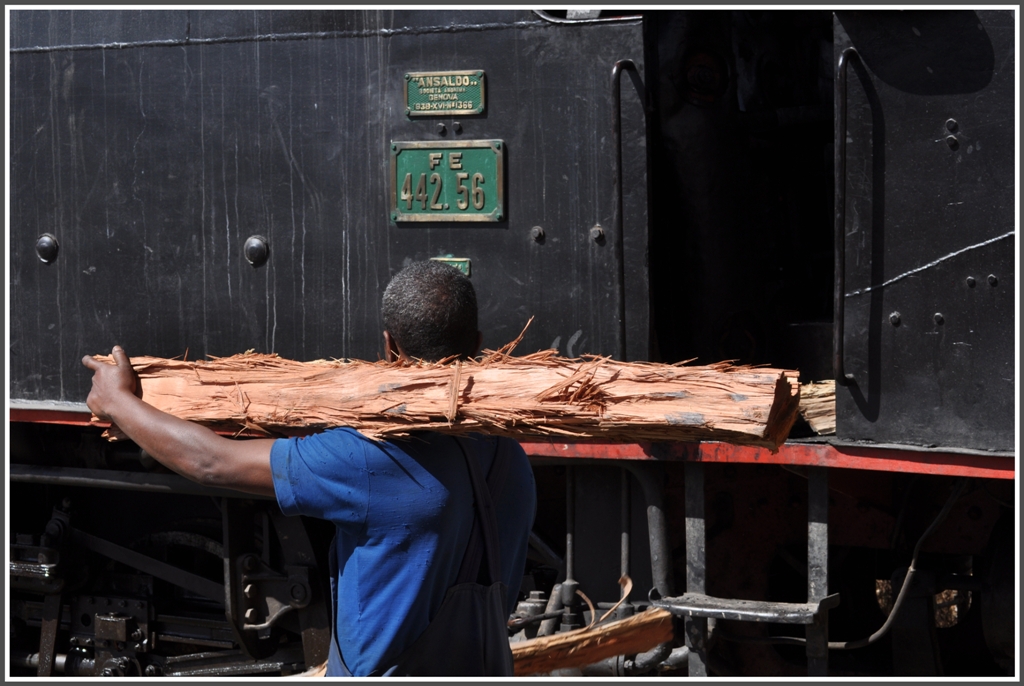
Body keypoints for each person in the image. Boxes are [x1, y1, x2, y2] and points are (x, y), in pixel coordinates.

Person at [81, 260, 537, 676]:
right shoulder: (508, 457)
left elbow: (212, 462)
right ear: (479, 345)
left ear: (390, 347)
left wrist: (119, 402)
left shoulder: (371, 459)